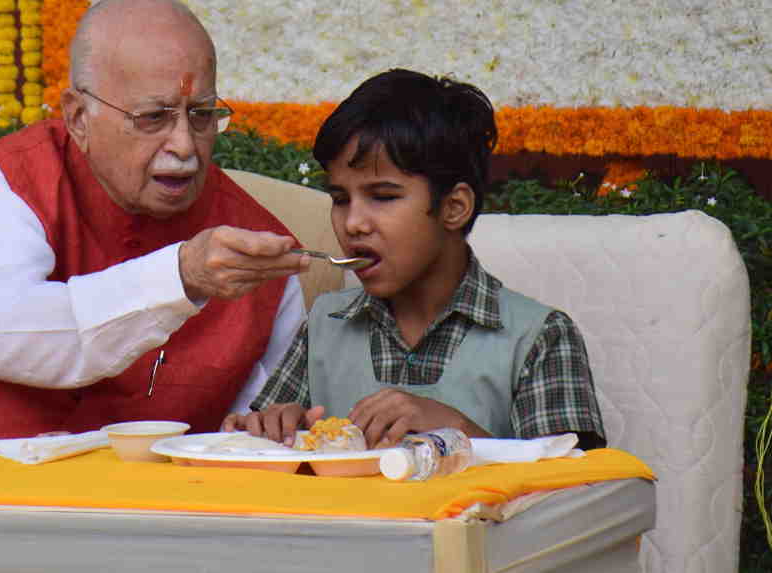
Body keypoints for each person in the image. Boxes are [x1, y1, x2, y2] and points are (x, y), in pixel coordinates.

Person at [0, 0, 311, 441]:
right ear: (78, 118)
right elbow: (3, 331)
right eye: (153, 117)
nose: (185, 146)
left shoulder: (258, 253)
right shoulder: (16, 179)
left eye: (202, 115)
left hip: (155, 504)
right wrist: (181, 277)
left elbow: (252, 433)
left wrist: (267, 427)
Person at [222, 69, 606, 451]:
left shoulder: (538, 337)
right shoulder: (326, 324)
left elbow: (576, 495)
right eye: (340, 199)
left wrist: (457, 430)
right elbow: (267, 458)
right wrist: (267, 431)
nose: (353, 223)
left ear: (454, 207)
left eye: (383, 196)